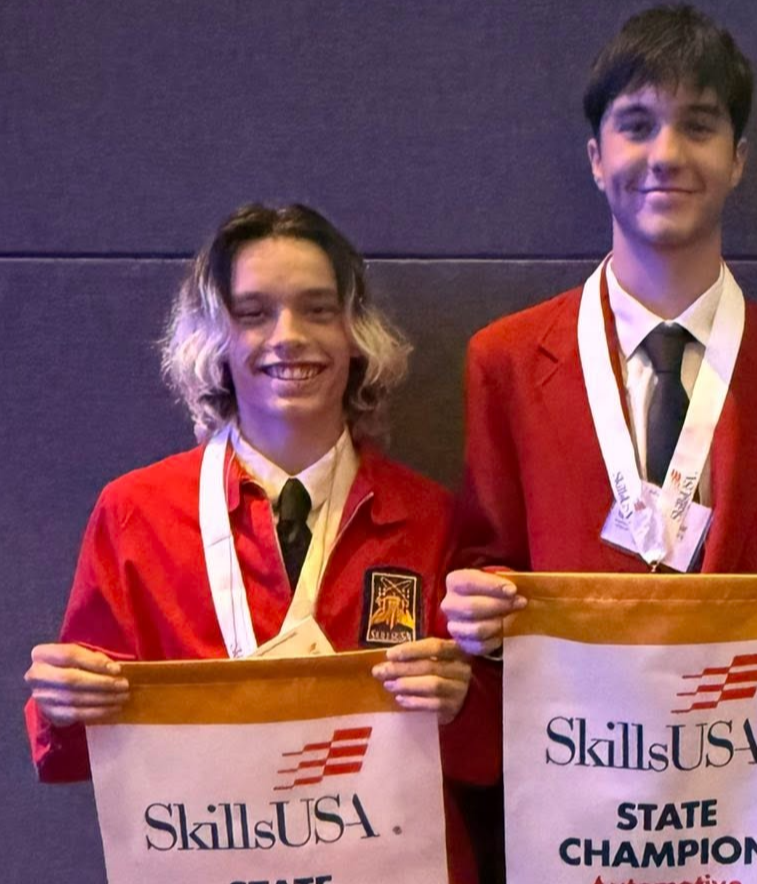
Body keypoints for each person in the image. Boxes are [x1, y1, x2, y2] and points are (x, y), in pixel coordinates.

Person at [22, 202, 499, 884]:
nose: (289, 336)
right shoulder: (136, 514)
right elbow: (76, 752)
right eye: (253, 313)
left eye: (318, 309)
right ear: (215, 339)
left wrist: (459, 703)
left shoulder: (429, 517)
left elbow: (488, 756)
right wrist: (63, 706)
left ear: (356, 333)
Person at [444, 4, 757, 654]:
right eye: (638, 126)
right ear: (597, 158)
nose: (667, 155)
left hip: (742, 711)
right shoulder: (506, 359)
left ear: (737, 160)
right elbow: (488, 559)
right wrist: (480, 610)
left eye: (698, 126)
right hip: (577, 712)